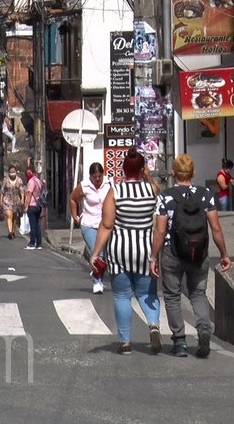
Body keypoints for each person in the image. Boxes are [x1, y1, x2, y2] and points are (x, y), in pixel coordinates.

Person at [150, 153, 231, 358]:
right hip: (199, 252)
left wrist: (153, 257)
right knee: (198, 294)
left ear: (173, 173)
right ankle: (203, 329)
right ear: (193, 173)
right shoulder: (205, 195)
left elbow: (159, 231)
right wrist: (224, 254)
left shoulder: (165, 196)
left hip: (172, 253)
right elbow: (216, 228)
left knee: (172, 296)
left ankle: (180, 342)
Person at [90, 148, 161, 355]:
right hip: (146, 251)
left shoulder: (116, 191)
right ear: (142, 169)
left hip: (120, 251)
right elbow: (160, 199)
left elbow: (107, 225)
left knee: (122, 295)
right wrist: (148, 176)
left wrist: (96, 253)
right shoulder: (151, 191)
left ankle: (125, 341)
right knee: (147, 293)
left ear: (123, 169)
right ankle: (154, 325)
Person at [69, 162, 112, 294]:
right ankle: (97, 281)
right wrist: (76, 217)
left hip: (106, 224)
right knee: (97, 251)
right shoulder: (84, 186)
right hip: (89, 224)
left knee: (104, 254)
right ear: (90, 176)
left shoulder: (110, 184)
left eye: (100, 176)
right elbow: (73, 199)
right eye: (95, 177)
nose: (98, 179)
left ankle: (98, 275)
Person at [0, 165, 25, 239]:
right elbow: (2, 191)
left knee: (14, 217)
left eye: (13, 172)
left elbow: (22, 190)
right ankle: (10, 232)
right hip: (7, 200)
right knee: (9, 216)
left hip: (16, 201)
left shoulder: (19, 180)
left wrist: (22, 199)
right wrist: (1, 200)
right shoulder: (5, 180)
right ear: (8, 172)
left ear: (16, 172)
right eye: (11, 172)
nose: (12, 173)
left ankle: (13, 231)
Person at [24, 169, 44, 249]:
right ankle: (39, 244)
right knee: (37, 225)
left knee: (32, 225)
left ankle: (32, 243)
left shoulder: (31, 182)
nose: (28, 174)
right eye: (27, 172)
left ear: (33, 172)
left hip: (32, 205)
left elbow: (29, 194)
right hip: (38, 205)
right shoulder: (38, 180)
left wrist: (26, 206)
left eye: (30, 172)